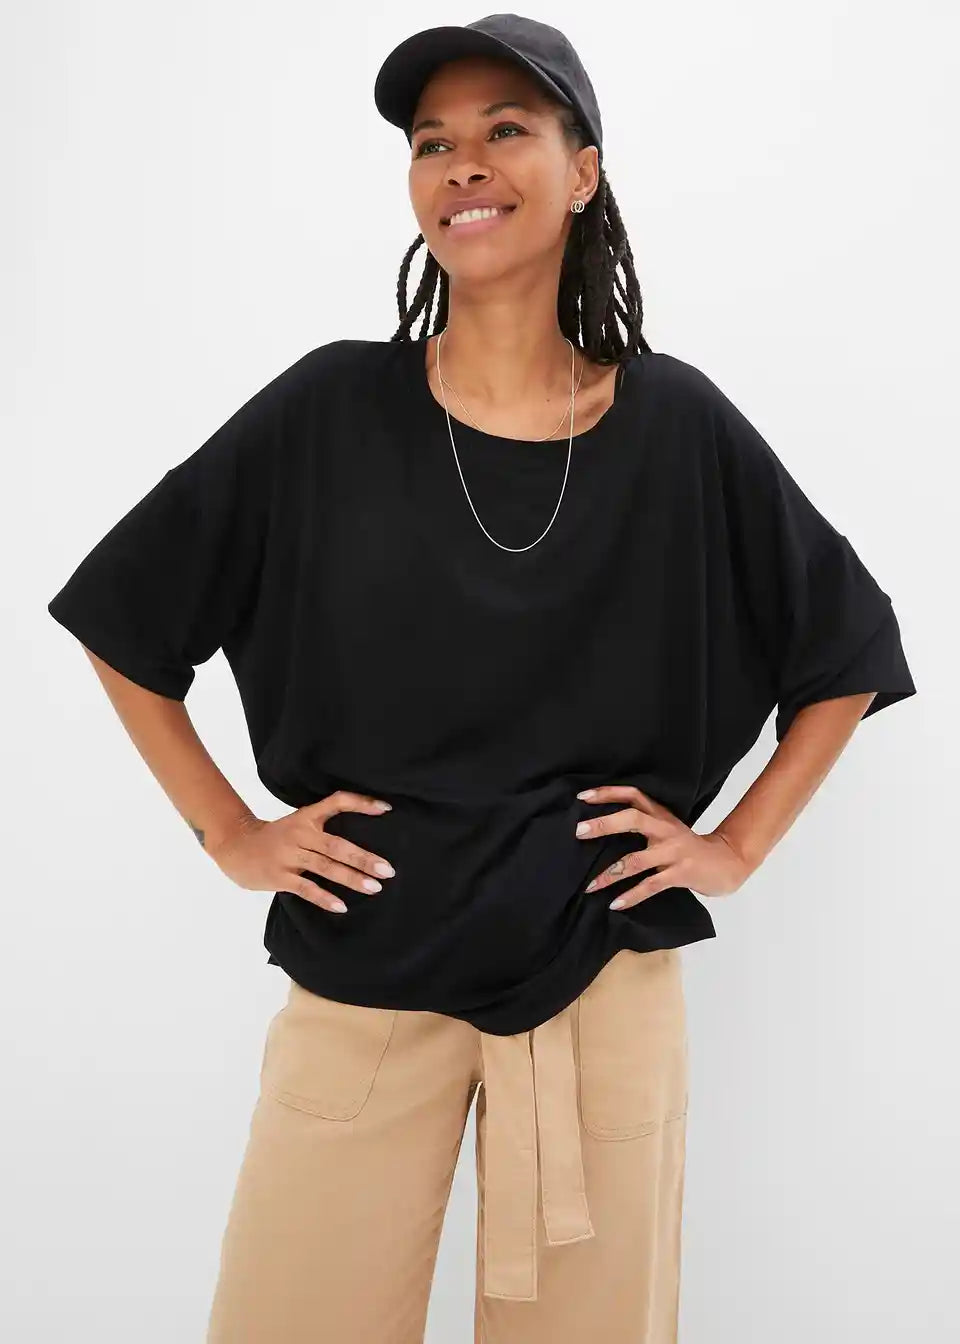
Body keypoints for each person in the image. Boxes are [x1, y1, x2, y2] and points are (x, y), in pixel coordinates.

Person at [46, 14, 916, 1344]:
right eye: (431, 141)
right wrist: (229, 832)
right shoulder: (331, 409)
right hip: (366, 962)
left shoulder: (676, 426)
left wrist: (736, 845)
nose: (462, 162)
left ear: (584, 172)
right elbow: (126, 616)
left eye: (506, 129)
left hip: (599, 979)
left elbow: (845, 647)